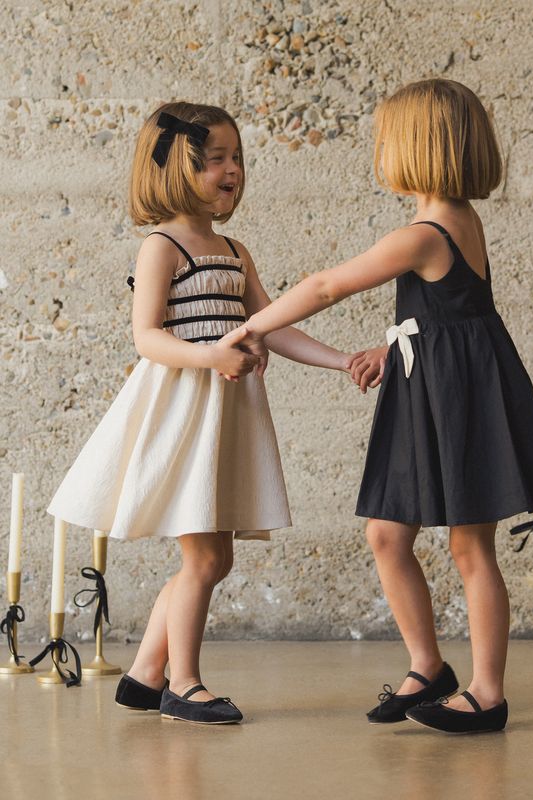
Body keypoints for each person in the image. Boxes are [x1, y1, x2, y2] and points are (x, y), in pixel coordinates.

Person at [222, 79, 533, 734]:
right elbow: (454, 313)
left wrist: (250, 327)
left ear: (417, 149)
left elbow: (325, 286)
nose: (379, 150)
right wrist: (395, 344)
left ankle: (488, 693)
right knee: (387, 535)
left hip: (458, 402)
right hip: (430, 387)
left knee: (470, 547)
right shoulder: (453, 224)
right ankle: (428, 667)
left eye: (385, 139)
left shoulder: (425, 233)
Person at [47, 102, 354, 725]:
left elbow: (271, 326)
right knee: (206, 559)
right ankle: (181, 684)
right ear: (173, 167)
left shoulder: (235, 250)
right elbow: (147, 337)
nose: (231, 169)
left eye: (236, 157)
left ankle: (144, 675)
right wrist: (212, 355)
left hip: (226, 414)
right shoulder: (160, 248)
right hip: (185, 415)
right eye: (216, 158)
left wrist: (342, 361)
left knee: (215, 558)